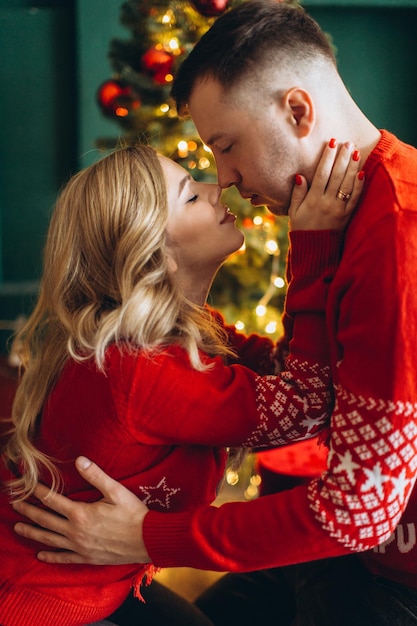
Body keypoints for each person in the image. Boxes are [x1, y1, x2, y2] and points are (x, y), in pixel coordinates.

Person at [11, 0, 417, 623]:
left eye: (225, 146)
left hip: (385, 569)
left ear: (297, 112)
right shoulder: (138, 359)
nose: (222, 179)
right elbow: (305, 390)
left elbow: (343, 482)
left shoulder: (395, 237)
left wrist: (148, 538)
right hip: (46, 596)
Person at [0, 137, 361, 626]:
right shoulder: (136, 367)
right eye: (191, 195)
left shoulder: (179, 332)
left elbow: (282, 367)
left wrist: (315, 247)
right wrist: (313, 242)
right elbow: (307, 406)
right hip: (41, 602)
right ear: (154, 257)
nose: (218, 189)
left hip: (103, 583)